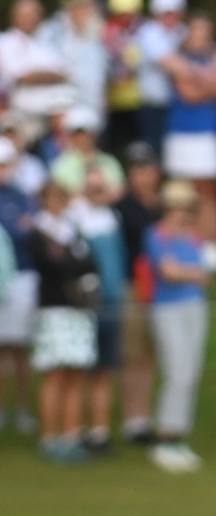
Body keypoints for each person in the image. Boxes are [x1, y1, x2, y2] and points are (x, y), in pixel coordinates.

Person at [29, 180, 98, 464]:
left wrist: (69, 261)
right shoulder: (38, 231)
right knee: (54, 374)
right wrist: (71, 262)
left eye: (62, 197)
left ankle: (71, 435)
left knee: (76, 372)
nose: (58, 202)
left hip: (78, 309)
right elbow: (52, 266)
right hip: (53, 308)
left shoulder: (74, 231)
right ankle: (50, 436)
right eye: (52, 197)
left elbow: (89, 264)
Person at [144, 179, 210, 471]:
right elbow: (168, 273)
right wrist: (190, 273)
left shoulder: (193, 236)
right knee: (177, 371)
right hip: (167, 308)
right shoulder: (157, 235)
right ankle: (164, 437)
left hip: (194, 306)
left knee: (191, 371)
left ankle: (179, 434)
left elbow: (205, 274)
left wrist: (189, 273)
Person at [163, 12, 216, 267]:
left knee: (208, 191)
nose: (201, 35)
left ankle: (210, 243)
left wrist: (199, 80)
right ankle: (183, 241)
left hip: (207, 131)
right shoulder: (177, 57)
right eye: (197, 29)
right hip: (182, 131)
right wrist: (211, 82)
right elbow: (188, 93)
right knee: (182, 191)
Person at [68, 165, 127, 454]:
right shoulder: (76, 218)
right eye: (92, 187)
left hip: (112, 303)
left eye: (100, 187)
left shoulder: (111, 217)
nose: (97, 192)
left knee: (105, 369)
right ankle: (75, 429)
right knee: (81, 370)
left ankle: (99, 431)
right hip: (86, 305)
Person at [114, 141, 161, 445]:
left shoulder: (161, 206)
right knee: (133, 355)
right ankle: (132, 419)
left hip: (160, 288)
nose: (142, 175)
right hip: (132, 285)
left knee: (150, 354)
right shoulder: (122, 207)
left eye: (146, 168)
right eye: (136, 169)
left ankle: (144, 416)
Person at [0, 137, 40, 437]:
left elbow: (28, 233)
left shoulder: (22, 195)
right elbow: (17, 229)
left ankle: (23, 407)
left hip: (23, 277)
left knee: (19, 347)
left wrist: (19, 227)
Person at [0, 0, 74, 122]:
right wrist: (49, 75)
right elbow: (20, 76)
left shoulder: (48, 40)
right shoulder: (6, 42)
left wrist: (36, 74)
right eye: (24, 15)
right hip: (19, 114)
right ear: (14, 17)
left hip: (53, 112)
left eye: (32, 15)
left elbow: (65, 73)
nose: (29, 19)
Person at [35, 0, 108, 121]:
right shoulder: (51, 31)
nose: (87, 10)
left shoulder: (97, 29)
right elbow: (47, 66)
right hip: (62, 107)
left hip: (94, 108)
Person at [133, 0, 187, 154]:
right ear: (156, 14)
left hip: (176, 104)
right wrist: (207, 75)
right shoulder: (149, 33)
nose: (171, 18)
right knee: (154, 151)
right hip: (152, 104)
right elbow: (172, 65)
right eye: (166, 14)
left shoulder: (182, 31)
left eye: (174, 13)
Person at [50, 106, 125, 199]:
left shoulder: (109, 161)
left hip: (107, 212)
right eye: (77, 133)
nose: (82, 137)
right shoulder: (61, 164)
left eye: (85, 132)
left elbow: (119, 191)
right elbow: (60, 196)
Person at [102, 0, 145, 159]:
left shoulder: (142, 30)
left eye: (129, 14)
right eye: (122, 14)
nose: (126, 18)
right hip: (113, 102)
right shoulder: (106, 32)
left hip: (138, 101)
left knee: (138, 152)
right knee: (114, 150)